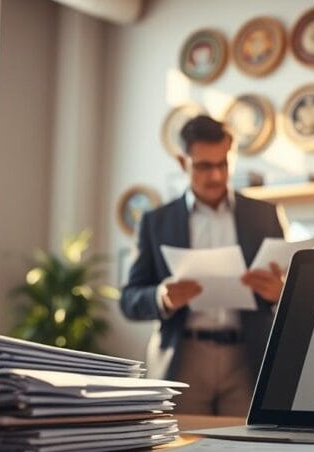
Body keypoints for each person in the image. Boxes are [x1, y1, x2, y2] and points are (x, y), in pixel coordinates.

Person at [120, 115, 286, 416]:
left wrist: (280, 294)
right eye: (204, 166)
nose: (216, 176)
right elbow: (129, 299)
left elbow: (292, 299)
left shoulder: (266, 216)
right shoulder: (155, 222)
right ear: (183, 163)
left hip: (248, 358)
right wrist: (162, 296)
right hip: (183, 358)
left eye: (223, 164)